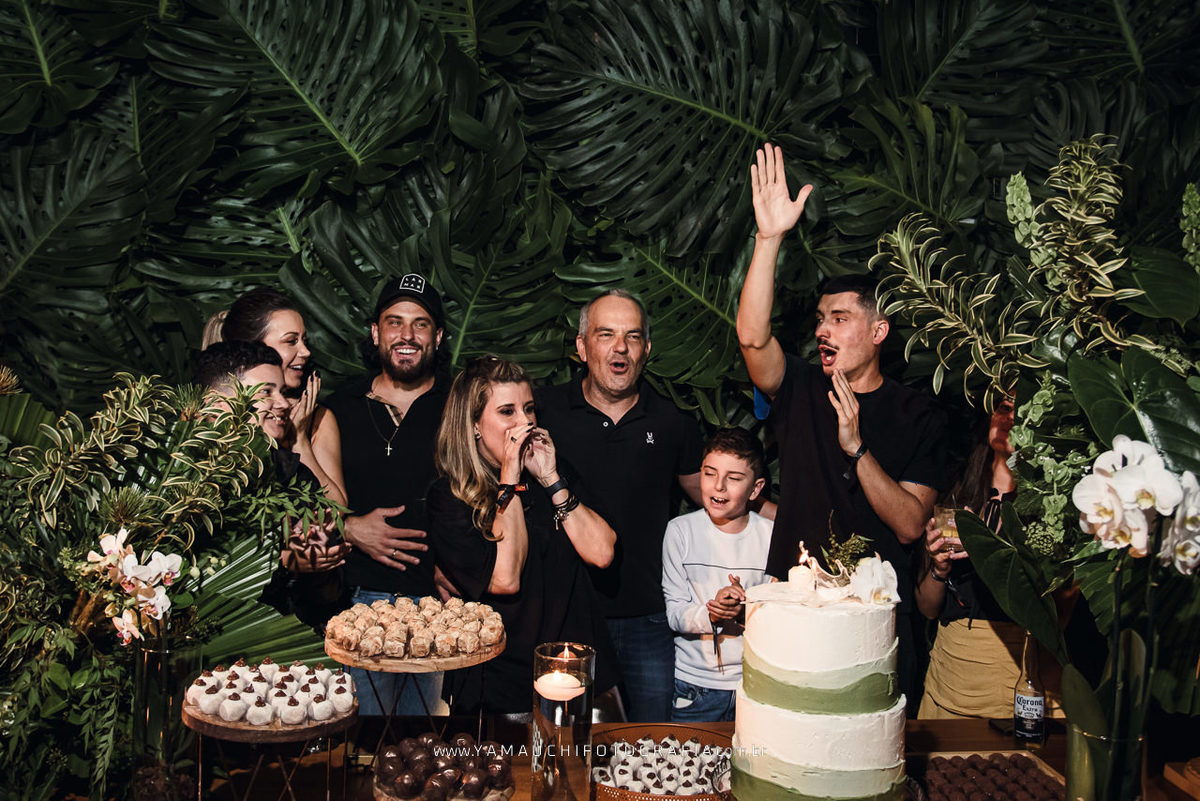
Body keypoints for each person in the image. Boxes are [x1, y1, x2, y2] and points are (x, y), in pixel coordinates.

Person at [735, 143, 947, 713]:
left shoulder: (917, 414)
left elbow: (909, 525)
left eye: (840, 319)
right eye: (820, 320)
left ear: (877, 332)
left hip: (873, 634)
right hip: (793, 618)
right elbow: (753, 339)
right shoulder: (802, 387)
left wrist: (857, 451)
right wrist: (769, 238)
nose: (824, 331)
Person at [534, 289, 705, 722]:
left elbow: (713, 494)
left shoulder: (672, 422)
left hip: (646, 618)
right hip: (563, 615)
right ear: (581, 345)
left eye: (631, 336)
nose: (620, 347)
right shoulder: (544, 411)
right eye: (605, 334)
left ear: (646, 348)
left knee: (650, 746)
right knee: (565, 750)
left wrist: (788, 519)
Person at [426, 356, 620, 714]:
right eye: (507, 412)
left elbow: (602, 552)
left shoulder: (550, 473)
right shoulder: (449, 498)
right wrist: (510, 481)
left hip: (579, 677)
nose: (525, 423)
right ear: (474, 426)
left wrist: (551, 480)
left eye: (529, 409)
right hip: (502, 689)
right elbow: (505, 578)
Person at [321, 273, 449, 715]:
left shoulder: (461, 405)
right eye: (394, 322)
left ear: (438, 337)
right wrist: (350, 527)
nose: (407, 335)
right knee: (359, 742)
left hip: (437, 607)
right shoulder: (339, 407)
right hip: (359, 603)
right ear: (376, 333)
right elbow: (307, 492)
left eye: (421, 324)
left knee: (423, 748)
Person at [916, 400, 1064, 719]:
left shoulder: (1052, 503)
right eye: (1001, 406)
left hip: (1020, 667)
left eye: (1019, 408)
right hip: (952, 670)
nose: (1007, 417)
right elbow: (927, 608)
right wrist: (939, 568)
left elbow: (1060, 610)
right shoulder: (959, 497)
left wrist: (993, 551)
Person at [195, 341, 351, 629]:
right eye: (266, 392)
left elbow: (328, 595)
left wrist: (317, 566)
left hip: (285, 646)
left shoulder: (292, 472)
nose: (282, 403)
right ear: (217, 403)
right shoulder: (183, 473)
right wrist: (283, 560)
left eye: (282, 391)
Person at [662, 428, 774, 722]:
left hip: (755, 686)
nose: (719, 486)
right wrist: (712, 613)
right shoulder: (680, 532)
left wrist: (742, 611)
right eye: (710, 473)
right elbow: (674, 613)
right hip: (694, 687)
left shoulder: (772, 537)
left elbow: (779, 615)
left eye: (734, 478)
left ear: (755, 488)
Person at [204, 288, 346, 506]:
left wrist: (300, 441)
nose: (306, 351)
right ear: (252, 347)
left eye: (303, 340)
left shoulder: (316, 416)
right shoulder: (210, 412)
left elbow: (335, 511)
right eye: (291, 341)